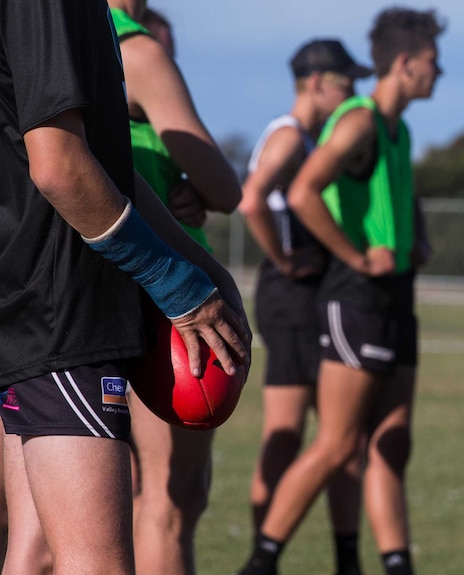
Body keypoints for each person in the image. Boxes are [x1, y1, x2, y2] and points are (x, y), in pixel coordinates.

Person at [0, 1, 250, 574]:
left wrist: (202, 269)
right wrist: (175, 283)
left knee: (35, 551)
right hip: (58, 297)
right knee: (99, 561)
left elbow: (104, 161)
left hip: (45, 296)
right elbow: (59, 167)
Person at [236, 8, 444, 575]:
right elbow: (304, 191)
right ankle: (262, 561)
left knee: (392, 443)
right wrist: (354, 255)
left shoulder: (400, 130)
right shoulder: (358, 121)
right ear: (405, 64)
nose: (440, 72)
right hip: (355, 298)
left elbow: (397, 201)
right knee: (335, 444)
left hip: (397, 298)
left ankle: (395, 564)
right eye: (433, 62)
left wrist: (414, 242)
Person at [108, 2, 244, 574]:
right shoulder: (136, 47)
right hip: (157, 294)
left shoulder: (47, 30)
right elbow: (225, 186)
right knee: (169, 502)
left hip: (57, 286)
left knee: (44, 512)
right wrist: (196, 187)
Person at [240, 39, 374, 575]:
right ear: (318, 82)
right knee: (288, 432)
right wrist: (282, 258)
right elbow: (253, 198)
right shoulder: (291, 137)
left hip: (314, 295)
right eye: (346, 82)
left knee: (341, 438)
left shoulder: (313, 138)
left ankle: (346, 558)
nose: (354, 92)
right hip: (291, 295)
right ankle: (261, 557)